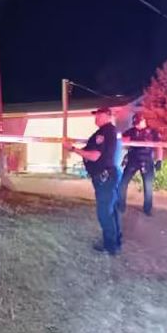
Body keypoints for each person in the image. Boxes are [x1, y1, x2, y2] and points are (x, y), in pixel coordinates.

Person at [66, 107, 124, 255]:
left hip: (104, 178)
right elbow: (90, 151)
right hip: (107, 176)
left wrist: (73, 149)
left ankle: (110, 246)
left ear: (108, 116)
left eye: (99, 115)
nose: (96, 118)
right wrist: (77, 149)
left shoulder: (105, 132)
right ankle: (115, 241)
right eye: (96, 115)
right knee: (111, 211)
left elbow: (94, 156)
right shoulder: (106, 131)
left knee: (104, 213)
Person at [118, 112, 163, 216]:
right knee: (123, 183)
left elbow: (159, 146)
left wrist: (159, 160)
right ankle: (121, 206)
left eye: (138, 123)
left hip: (146, 160)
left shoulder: (153, 132)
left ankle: (147, 209)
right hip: (132, 159)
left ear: (144, 121)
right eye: (135, 123)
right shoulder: (131, 131)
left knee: (148, 186)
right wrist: (123, 140)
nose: (137, 125)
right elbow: (122, 140)